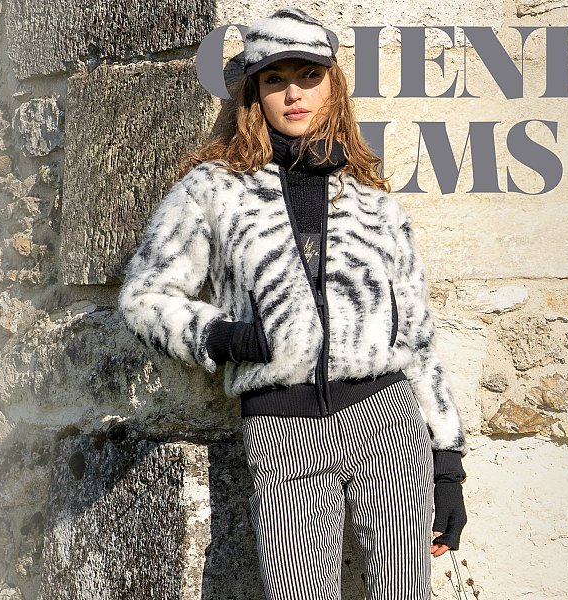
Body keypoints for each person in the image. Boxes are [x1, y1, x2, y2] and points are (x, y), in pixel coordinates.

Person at [118, 7, 468, 600]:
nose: (293, 94)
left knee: (404, 592)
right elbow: (144, 297)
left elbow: (417, 337)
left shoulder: (376, 206)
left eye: (309, 76)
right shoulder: (214, 191)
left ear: (333, 87)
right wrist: (227, 338)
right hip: (281, 430)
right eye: (275, 79)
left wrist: (449, 464)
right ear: (254, 93)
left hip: (386, 421)